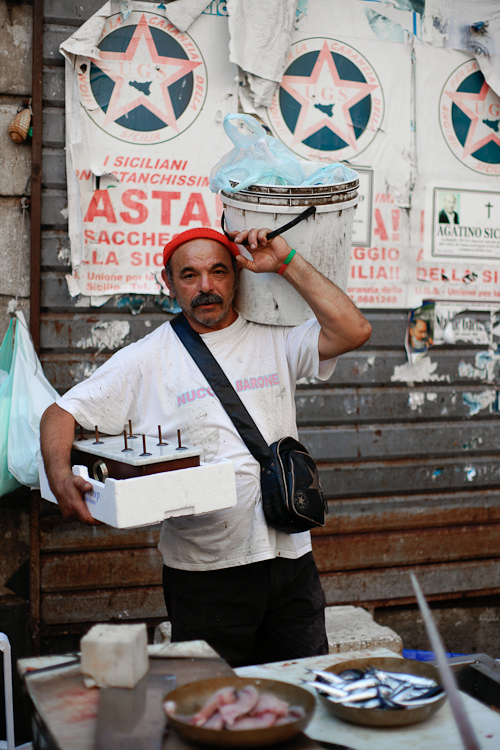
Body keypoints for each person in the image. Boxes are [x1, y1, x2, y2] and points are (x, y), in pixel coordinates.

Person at [40, 226, 372, 668]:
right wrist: (61, 477)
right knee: (213, 703)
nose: (206, 287)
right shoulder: (148, 357)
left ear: (237, 274)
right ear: (168, 283)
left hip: (291, 558)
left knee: (305, 691)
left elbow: (355, 330)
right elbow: (60, 415)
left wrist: (287, 261)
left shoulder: (273, 337)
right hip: (206, 571)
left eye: (218, 271)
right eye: (189, 275)